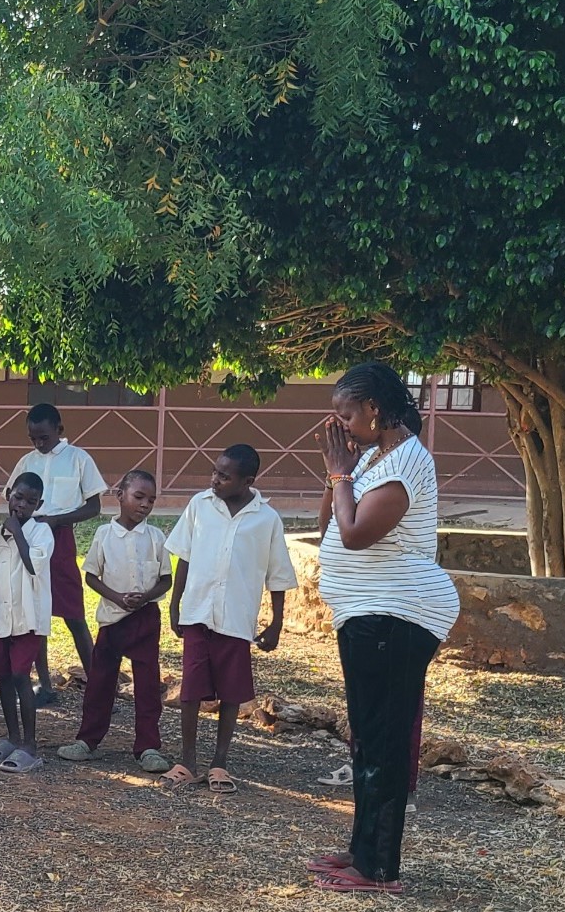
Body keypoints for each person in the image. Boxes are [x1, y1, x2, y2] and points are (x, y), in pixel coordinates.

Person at [307, 362, 460, 896]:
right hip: (368, 613)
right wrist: (339, 471)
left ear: (374, 409)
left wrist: (342, 473)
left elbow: (355, 536)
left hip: (399, 614)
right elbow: (329, 522)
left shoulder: (408, 461)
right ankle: (361, 849)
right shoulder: (374, 457)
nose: (339, 424)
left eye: (346, 413)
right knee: (367, 741)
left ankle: (380, 868)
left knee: (386, 742)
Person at [163, 443, 296, 793]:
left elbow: (277, 573)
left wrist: (276, 621)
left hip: (237, 617)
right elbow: (185, 558)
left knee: (232, 693)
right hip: (197, 611)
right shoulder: (199, 506)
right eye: (214, 472)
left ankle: (219, 763)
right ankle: (187, 761)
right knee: (191, 688)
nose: (215, 480)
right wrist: (176, 604)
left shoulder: (266, 519)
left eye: (225, 476)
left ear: (247, 480)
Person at [59, 470, 172, 773]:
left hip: (145, 618)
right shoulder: (103, 536)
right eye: (138, 497)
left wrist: (146, 597)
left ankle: (148, 747)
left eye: (151, 499)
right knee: (101, 681)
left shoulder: (156, 537)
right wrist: (117, 597)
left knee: (148, 684)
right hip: (112, 619)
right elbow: (91, 575)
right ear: (120, 495)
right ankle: (88, 741)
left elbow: (166, 579)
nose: (145, 504)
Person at [4, 402, 108, 702]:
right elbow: (12, 496)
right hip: (29, 536)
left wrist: (57, 519)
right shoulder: (26, 461)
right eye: (33, 438)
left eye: (43, 437)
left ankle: (99, 690)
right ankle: (45, 685)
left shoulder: (79, 459)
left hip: (60, 538)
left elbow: (94, 506)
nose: (38, 443)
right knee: (37, 614)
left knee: (73, 613)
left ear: (59, 430)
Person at [0, 475, 53, 772]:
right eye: (18, 498)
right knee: (2, 676)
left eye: (30, 502)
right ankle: (12, 737)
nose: (22, 505)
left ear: (39, 505)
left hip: (28, 620)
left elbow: (32, 564)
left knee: (20, 675)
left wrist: (18, 532)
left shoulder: (41, 532)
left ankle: (30, 745)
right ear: (8, 495)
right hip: (1, 618)